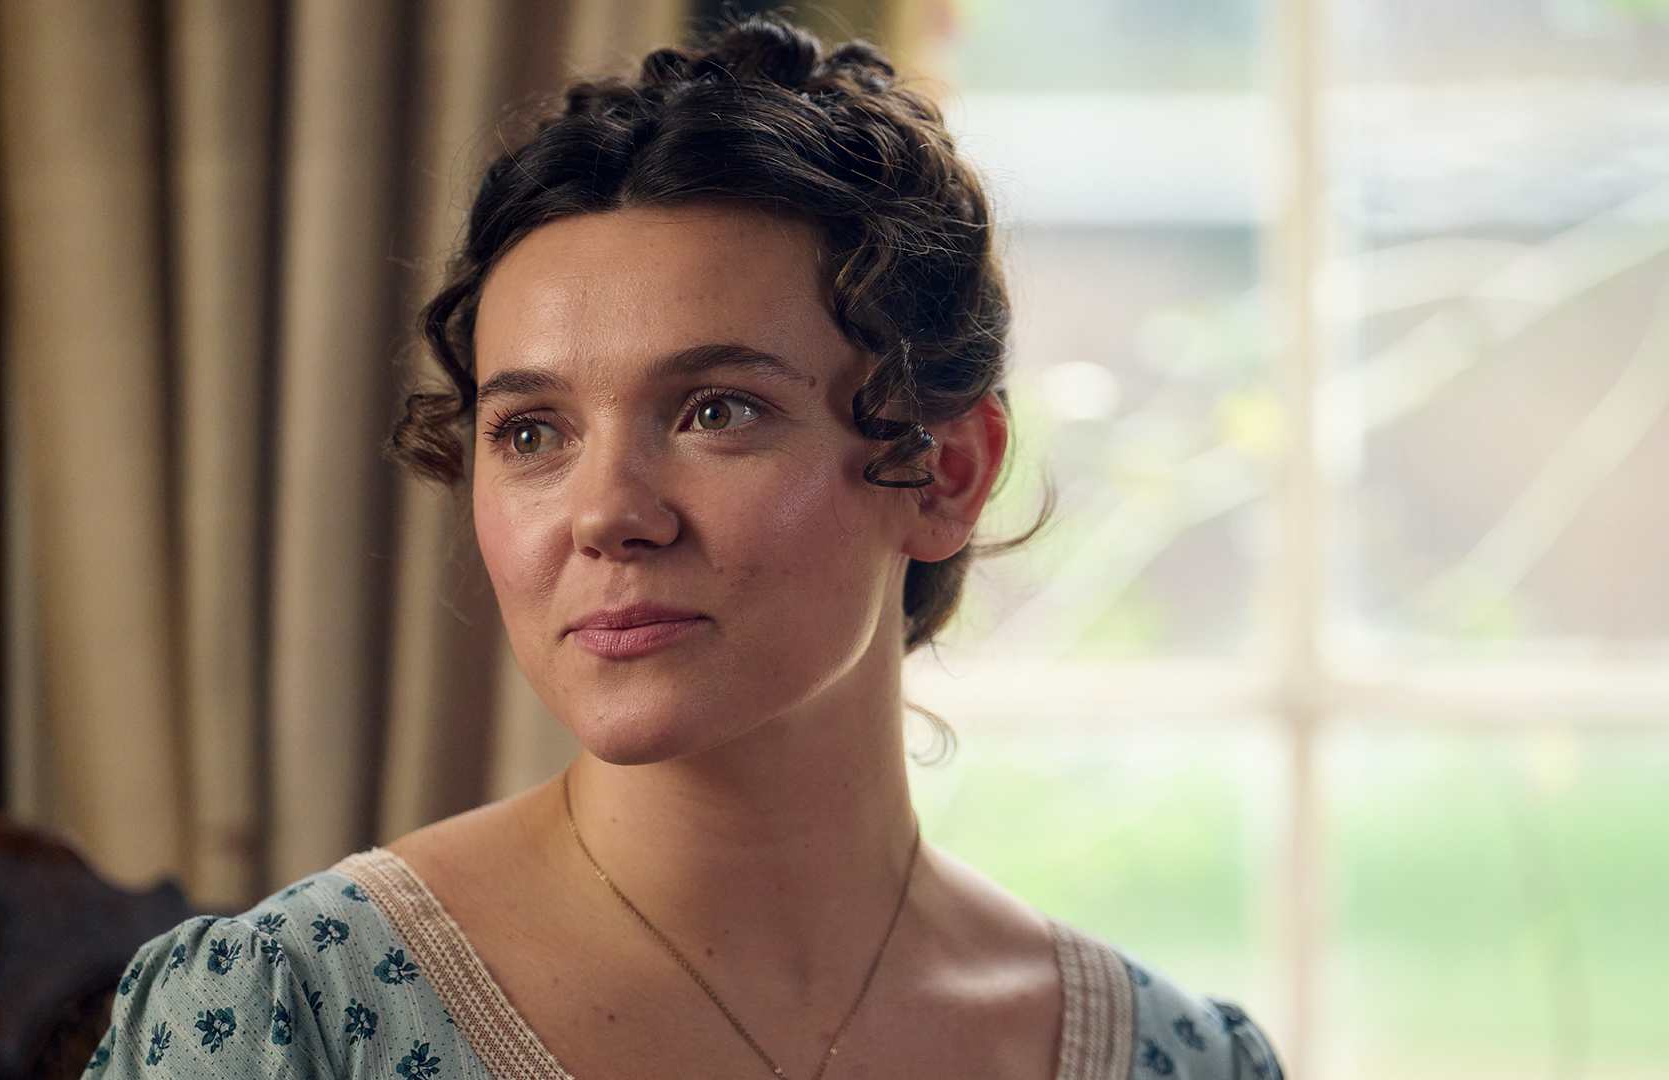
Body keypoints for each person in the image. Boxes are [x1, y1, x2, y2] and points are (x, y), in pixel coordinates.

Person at [85, 12, 1285, 1080]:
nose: (607, 513)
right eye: (533, 432)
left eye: (718, 411)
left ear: (946, 472)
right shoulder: (285, 1017)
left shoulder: (1176, 1059)